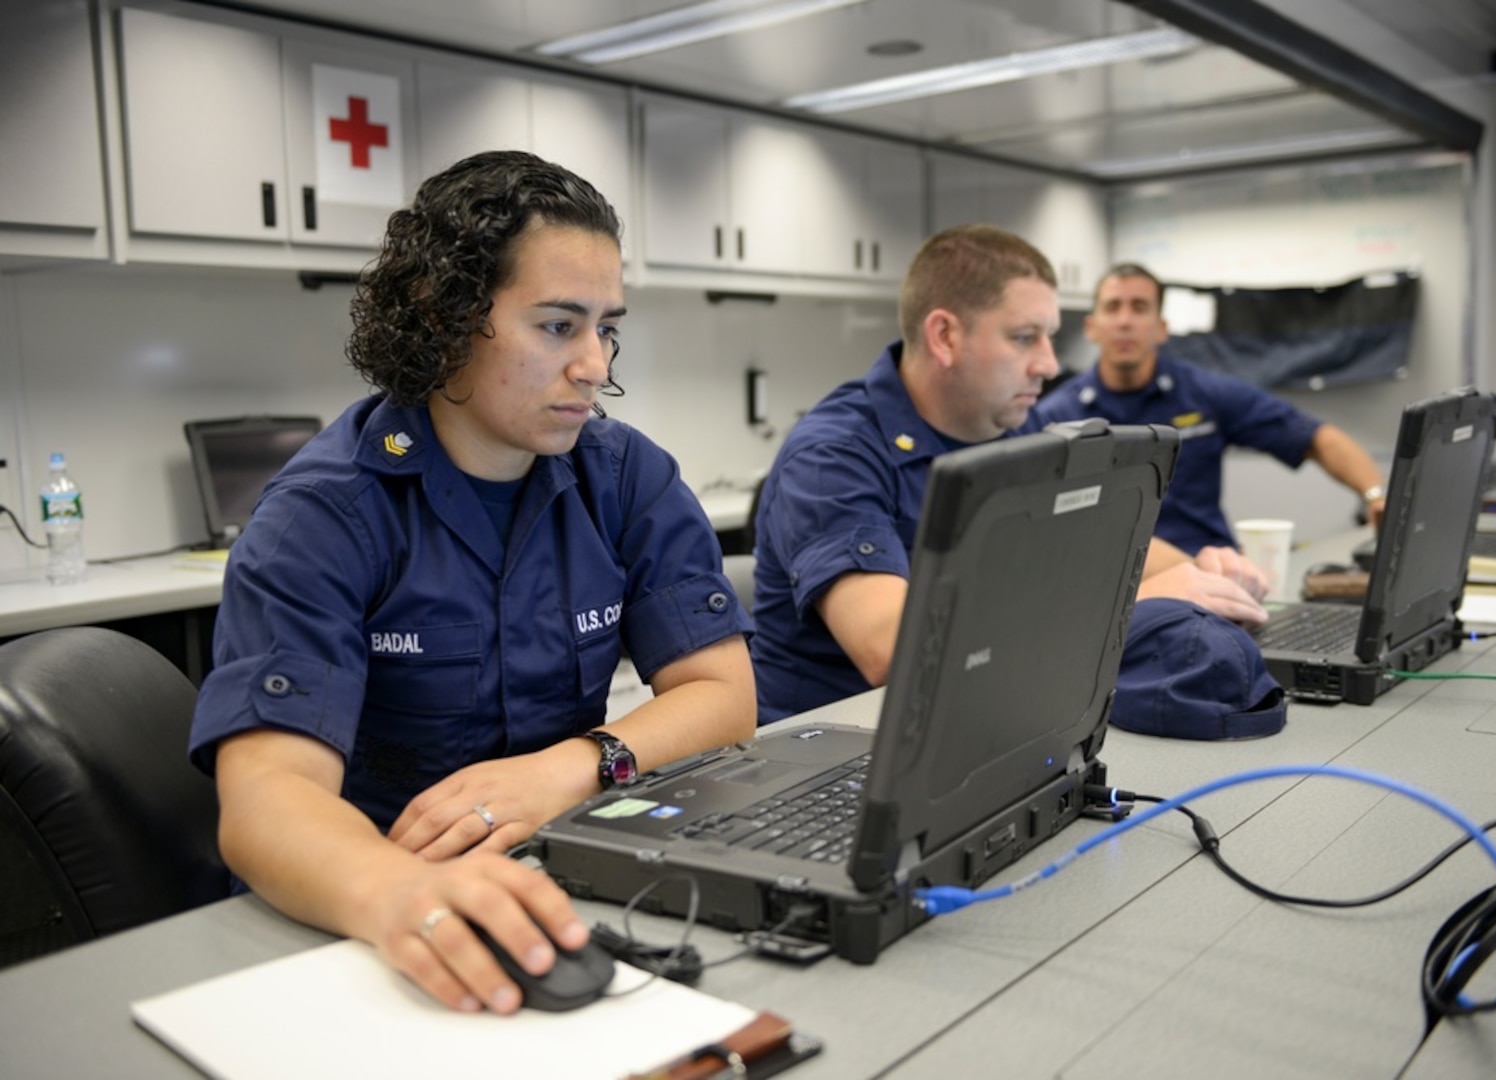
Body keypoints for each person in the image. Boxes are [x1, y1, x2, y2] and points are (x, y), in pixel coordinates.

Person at [188, 151, 755, 1015]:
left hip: (562, 867)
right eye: (559, 325)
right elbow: (269, 800)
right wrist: (399, 895)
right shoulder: (324, 514)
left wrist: (574, 766)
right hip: (370, 905)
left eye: (607, 327)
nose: (595, 364)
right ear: (446, 317)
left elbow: (722, 694)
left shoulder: (625, 476)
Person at [749, 225, 1270, 725]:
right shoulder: (831, 457)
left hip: (975, 718)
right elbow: (895, 650)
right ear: (945, 336)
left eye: (1049, 337)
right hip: (836, 751)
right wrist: (1141, 600)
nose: (1047, 364)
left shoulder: (1015, 426)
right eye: (1024, 338)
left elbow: (1101, 536)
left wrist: (1207, 574)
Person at [1034, 262, 1387, 556]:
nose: (1125, 321)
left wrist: (1374, 496)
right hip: (1107, 582)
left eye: (1140, 307)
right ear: (1092, 327)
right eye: (1113, 307)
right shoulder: (1054, 417)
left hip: (1212, 571)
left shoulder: (1205, 393)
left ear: (1161, 329)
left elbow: (1315, 437)